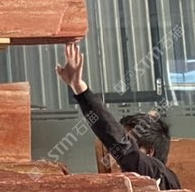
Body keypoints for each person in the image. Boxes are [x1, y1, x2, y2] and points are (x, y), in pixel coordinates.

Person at [56, 42, 182, 190]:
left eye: (128, 142)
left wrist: (79, 87)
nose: (115, 157)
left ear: (148, 152)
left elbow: (114, 137)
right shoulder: (150, 180)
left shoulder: (156, 173)